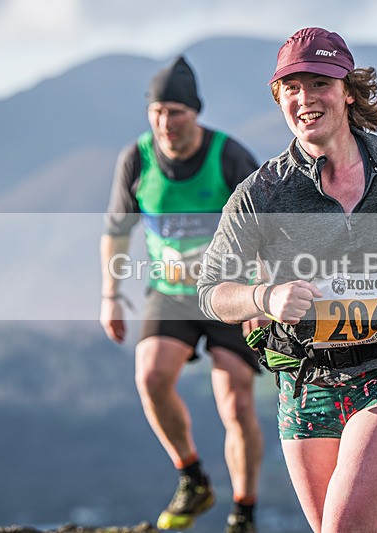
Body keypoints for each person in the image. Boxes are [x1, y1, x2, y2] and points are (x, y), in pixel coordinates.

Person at [197, 28, 377, 532]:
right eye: (291, 89)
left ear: (348, 91)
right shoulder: (262, 194)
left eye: (319, 83)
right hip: (305, 386)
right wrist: (264, 295)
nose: (305, 99)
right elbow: (211, 289)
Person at [99, 56, 263, 533]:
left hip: (230, 291)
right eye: (156, 112)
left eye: (176, 112)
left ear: (196, 113)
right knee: (150, 375)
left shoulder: (229, 156)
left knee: (234, 398)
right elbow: (116, 229)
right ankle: (192, 478)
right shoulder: (137, 159)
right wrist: (110, 294)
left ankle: (244, 512)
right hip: (170, 291)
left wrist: (256, 296)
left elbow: (264, 230)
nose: (165, 123)